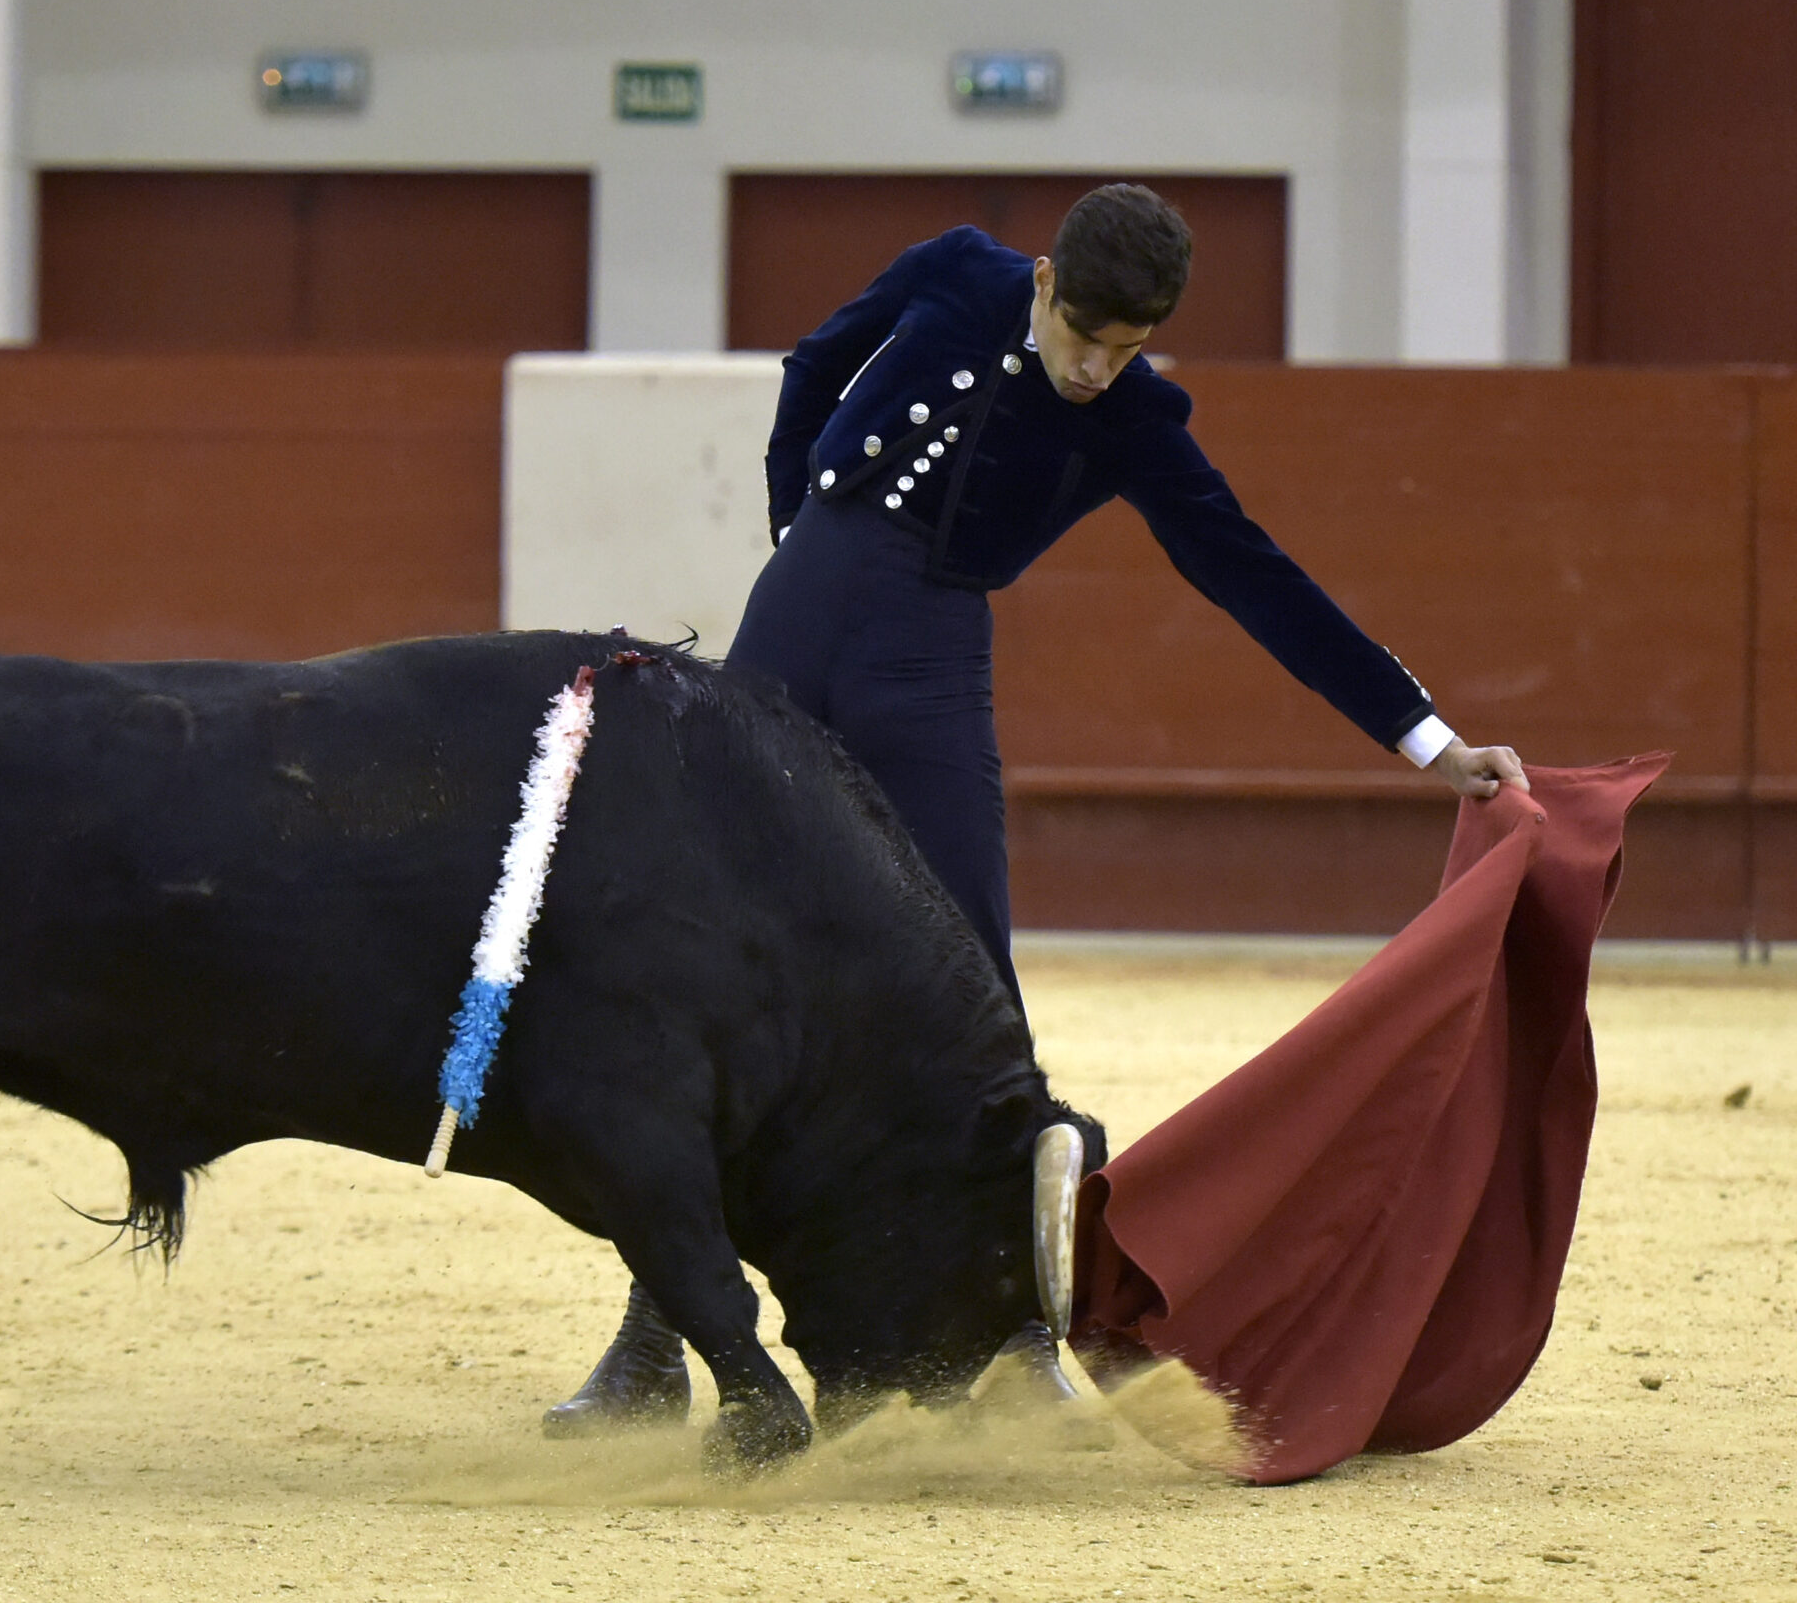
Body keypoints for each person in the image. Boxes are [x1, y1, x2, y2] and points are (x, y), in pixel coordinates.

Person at [543, 182, 1527, 1434]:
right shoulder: (956, 271)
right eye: (1084, 339)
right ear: (1046, 284)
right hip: (795, 609)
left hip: (925, 658)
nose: (1096, 371)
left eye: (1127, 349)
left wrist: (1426, 739)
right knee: (711, 959)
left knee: (972, 972)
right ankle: (651, 1337)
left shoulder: (1136, 420)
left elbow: (1252, 574)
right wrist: (796, 521)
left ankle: (1009, 1327)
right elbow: (814, 362)